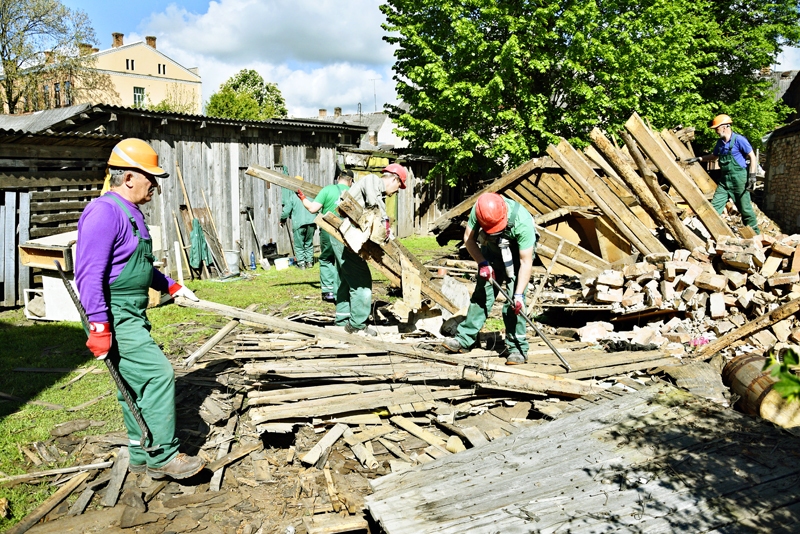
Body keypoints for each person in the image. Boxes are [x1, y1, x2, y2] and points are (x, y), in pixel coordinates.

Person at [75, 138, 205, 480]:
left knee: (132, 387)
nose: (156, 186)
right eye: (151, 178)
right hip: (114, 313)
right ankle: (163, 456)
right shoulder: (104, 212)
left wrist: (170, 285)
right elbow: (88, 274)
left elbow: (138, 266)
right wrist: (99, 326)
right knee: (157, 375)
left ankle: (140, 453)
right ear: (130, 177)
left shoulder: (131, 213)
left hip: (132, 312)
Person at [301, 163, 406, 335]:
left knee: (345, 277)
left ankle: (342, 319)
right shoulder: (373, 180)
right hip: (347, 237)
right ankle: (357, 325)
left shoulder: (374, 187)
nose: (396, 192)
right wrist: (385, 223)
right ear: (395, 179)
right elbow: (375, 205)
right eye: (399, 187)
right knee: (361, 280)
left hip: (342, 235)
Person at [442, 193, 537, 365]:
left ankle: (518, 348)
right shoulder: (480, 209)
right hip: (492, 251)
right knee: (482, 295)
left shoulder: (523, 223)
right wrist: (482, 263)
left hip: (518, 257)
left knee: (514, 303)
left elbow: (526, 262)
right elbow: (468, 239)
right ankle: (464, 339)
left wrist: (518, 294)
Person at [684, 114, 760, 234]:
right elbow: (714, 156)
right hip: (724, 181)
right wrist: (699, 158)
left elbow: (752, 156)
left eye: (717, 128)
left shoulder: (739, 140)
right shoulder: (720, 143)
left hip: (739, 179)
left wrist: (752, 176)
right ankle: (710, 233)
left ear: (725, 127)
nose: (715, 131)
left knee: (745, 209)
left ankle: (755, 235)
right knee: (714, 207)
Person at [297, 168, 354, 302]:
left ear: (338, 178)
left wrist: (302, 197)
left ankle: (328, 291)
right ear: (351, 181)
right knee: (345, 260)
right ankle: (345, 289)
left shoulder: (327, 190)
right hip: (348, 232)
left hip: (329, 230)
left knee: (327, 258)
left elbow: (312, 208)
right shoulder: (354, 192)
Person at [280, 177, 317, 269]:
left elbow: (286, 211)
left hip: (299, 224)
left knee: (299, 245)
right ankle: (309, 262)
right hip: (311, 223)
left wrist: (282, 220)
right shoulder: (310, 196)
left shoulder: (293, 197)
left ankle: (301, 264)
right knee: (308, 243)